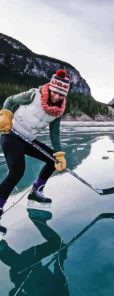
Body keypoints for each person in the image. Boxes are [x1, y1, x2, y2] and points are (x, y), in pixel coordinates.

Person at [0, 69, 70, 220]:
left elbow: (54, 133)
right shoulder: (34, 95)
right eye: (55, 92)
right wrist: (5, 114)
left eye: (61, 94)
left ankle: (36, 192)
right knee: (17, 171)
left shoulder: (58, 111)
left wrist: (59, 154)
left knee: (53, 160)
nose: (57, 96)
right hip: (11, 134)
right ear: (50, 88)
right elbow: (10, 100)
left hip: (27, 140)